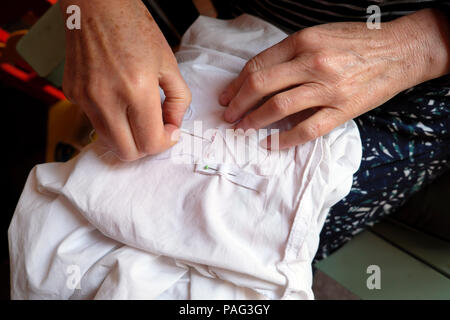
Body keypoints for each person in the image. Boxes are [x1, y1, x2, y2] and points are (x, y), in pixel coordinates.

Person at [58, 0, 450, 260]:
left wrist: (420, 45)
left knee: (254, 247)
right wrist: (97, 7)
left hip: (422, 86)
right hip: (244, 33)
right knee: (78, 226)